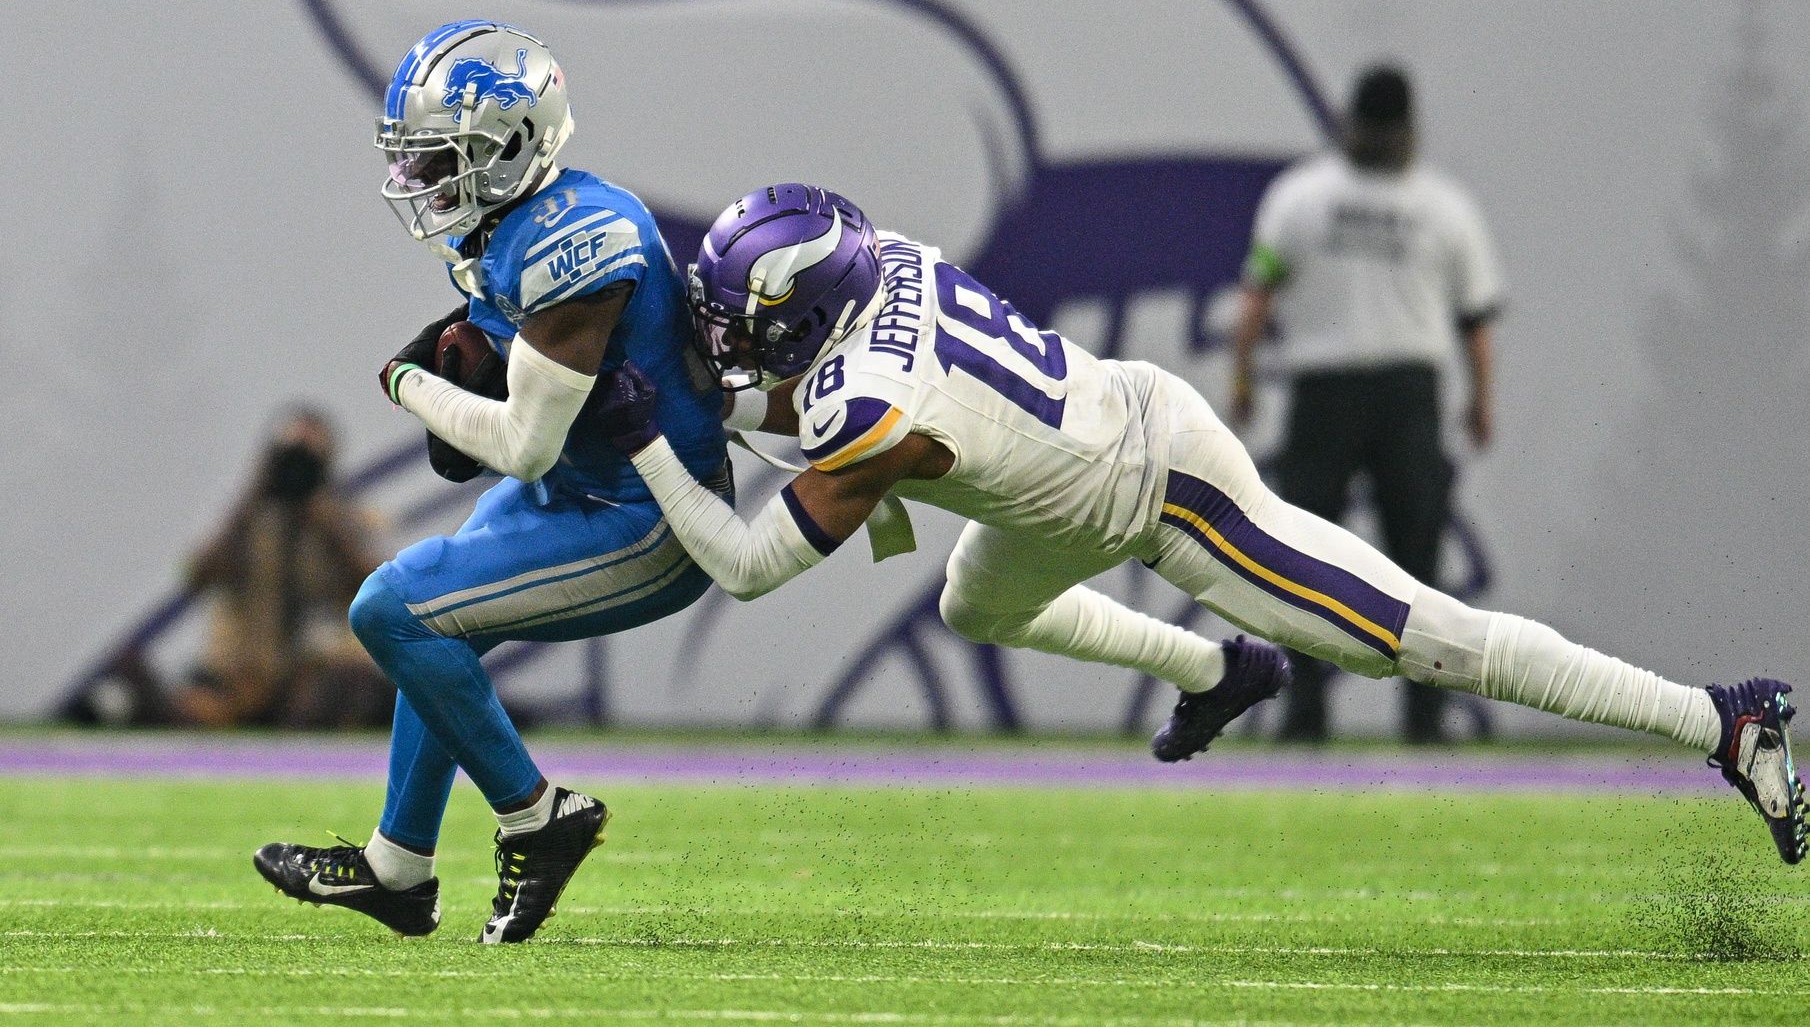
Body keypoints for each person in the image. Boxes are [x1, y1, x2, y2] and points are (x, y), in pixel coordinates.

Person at [596, 182, 1804, 867]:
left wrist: (649, 437)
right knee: (973, 598)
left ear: (811, 313)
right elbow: (789, 395)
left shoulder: (868, 407)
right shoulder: (878, 272)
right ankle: (1219, 668)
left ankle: (1720, 718)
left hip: (1167, 487)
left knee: (1421, 640)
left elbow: (749, 564)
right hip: (1076, 464)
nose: (727, 339)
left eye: (744, 320)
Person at [254, 21, 732, 943]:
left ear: (509, 148)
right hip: (586, 490)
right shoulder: (512, 224)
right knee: (430, 616)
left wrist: (408, 384)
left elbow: (523, 446)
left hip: (649, 515)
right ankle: (399, 869)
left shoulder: (580, 242)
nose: (420, 181)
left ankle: (536, 816)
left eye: (441, 159)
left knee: (389, 609)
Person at [1231, 64, 1499, 744]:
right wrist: (1479, 399)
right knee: (1315, 561)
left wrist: (1243, 375)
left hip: (1378, 392)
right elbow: (1475, 323)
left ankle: (1410, 716)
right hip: (1355, 387)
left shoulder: (1312, 197)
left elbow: (1257, 298)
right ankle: (1313, 709)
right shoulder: (1422, 204)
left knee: (1401, 564)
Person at [179, 408, 387, 729]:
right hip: (244, 670)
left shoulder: (347, 520)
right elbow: (197, 577)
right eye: (288, 457)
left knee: (352, 689)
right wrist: (254, 494)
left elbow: (380, 590)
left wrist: (330, 525)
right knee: (188, 702)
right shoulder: (248, 521)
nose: (297, 469)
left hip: (313, 673)